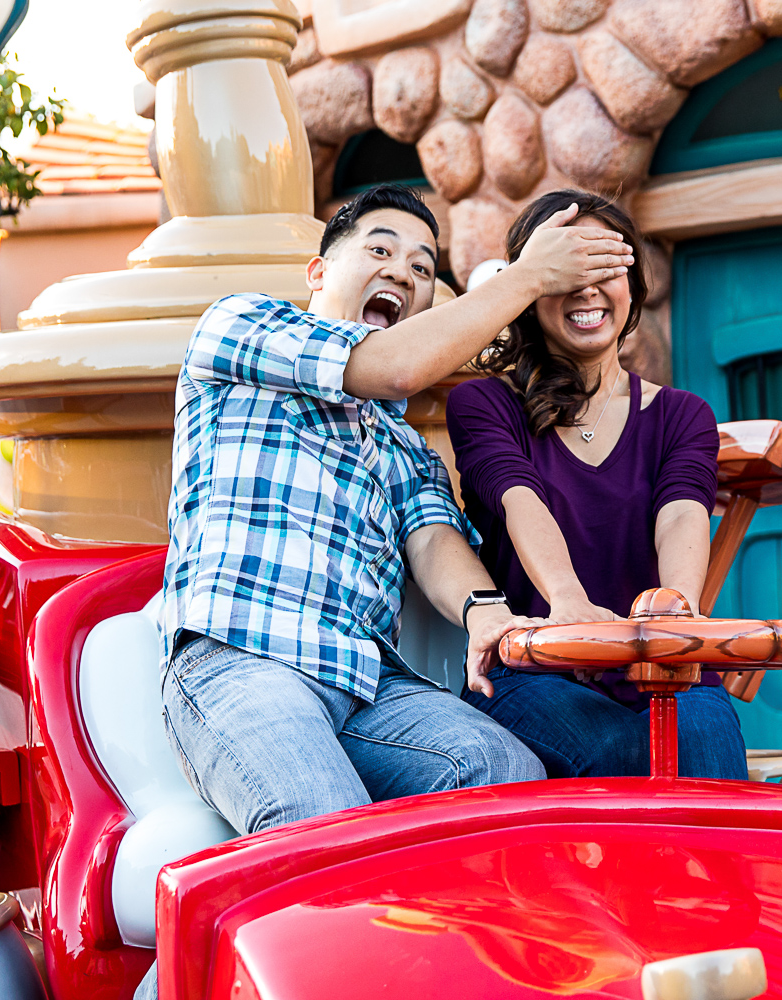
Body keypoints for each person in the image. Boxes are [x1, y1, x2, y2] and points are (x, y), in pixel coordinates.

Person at [152, 183, 632, 934]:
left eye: (421, 266)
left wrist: (486, 613)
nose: (404, 272)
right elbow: (398, 368)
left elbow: (434, 538)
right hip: (240, 656)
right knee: (330, 837)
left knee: (506, 776)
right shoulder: (242, 327)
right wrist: (531, 275)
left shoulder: (404, 442)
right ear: (317, 273)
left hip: (365, 681)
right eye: (380, 251)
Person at [446, 190, 747, 780]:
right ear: (530, 290)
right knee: (627, 756)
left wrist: (676, 617)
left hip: (660, 664)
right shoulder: (483, 403)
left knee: (708, 758)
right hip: (532, 666)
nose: (587, 289)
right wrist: (569, 603)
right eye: (567, 270)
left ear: (632, 285)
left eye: (606, 268)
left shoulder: (682, 415)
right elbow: (517, 498)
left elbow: (683, 514)